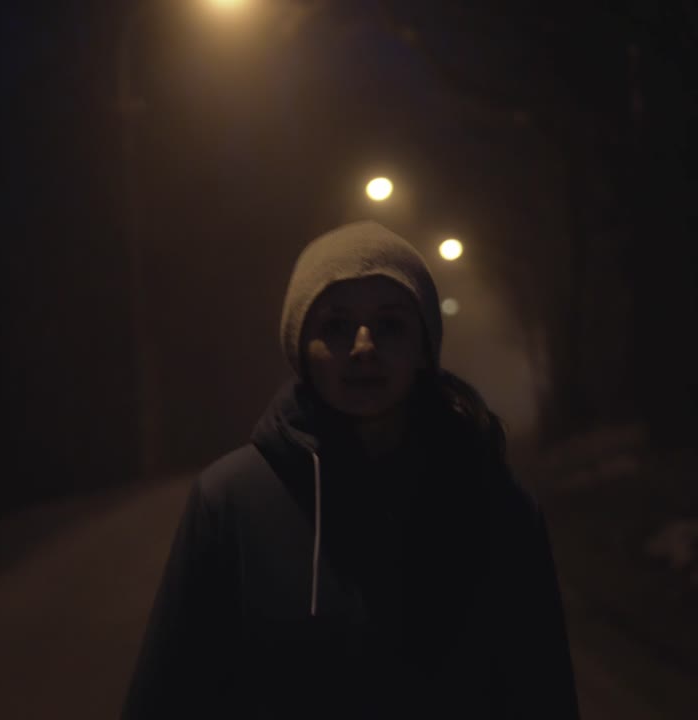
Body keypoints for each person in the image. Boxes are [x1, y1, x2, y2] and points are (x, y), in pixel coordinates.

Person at [122, 220, 579, 719]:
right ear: (300, 348)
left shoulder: (494, 503)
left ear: (424, 348)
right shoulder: (230, 500)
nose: (364, 347)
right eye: (336, 326)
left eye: (390, 324)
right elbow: (168, 696)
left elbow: (542, 692)